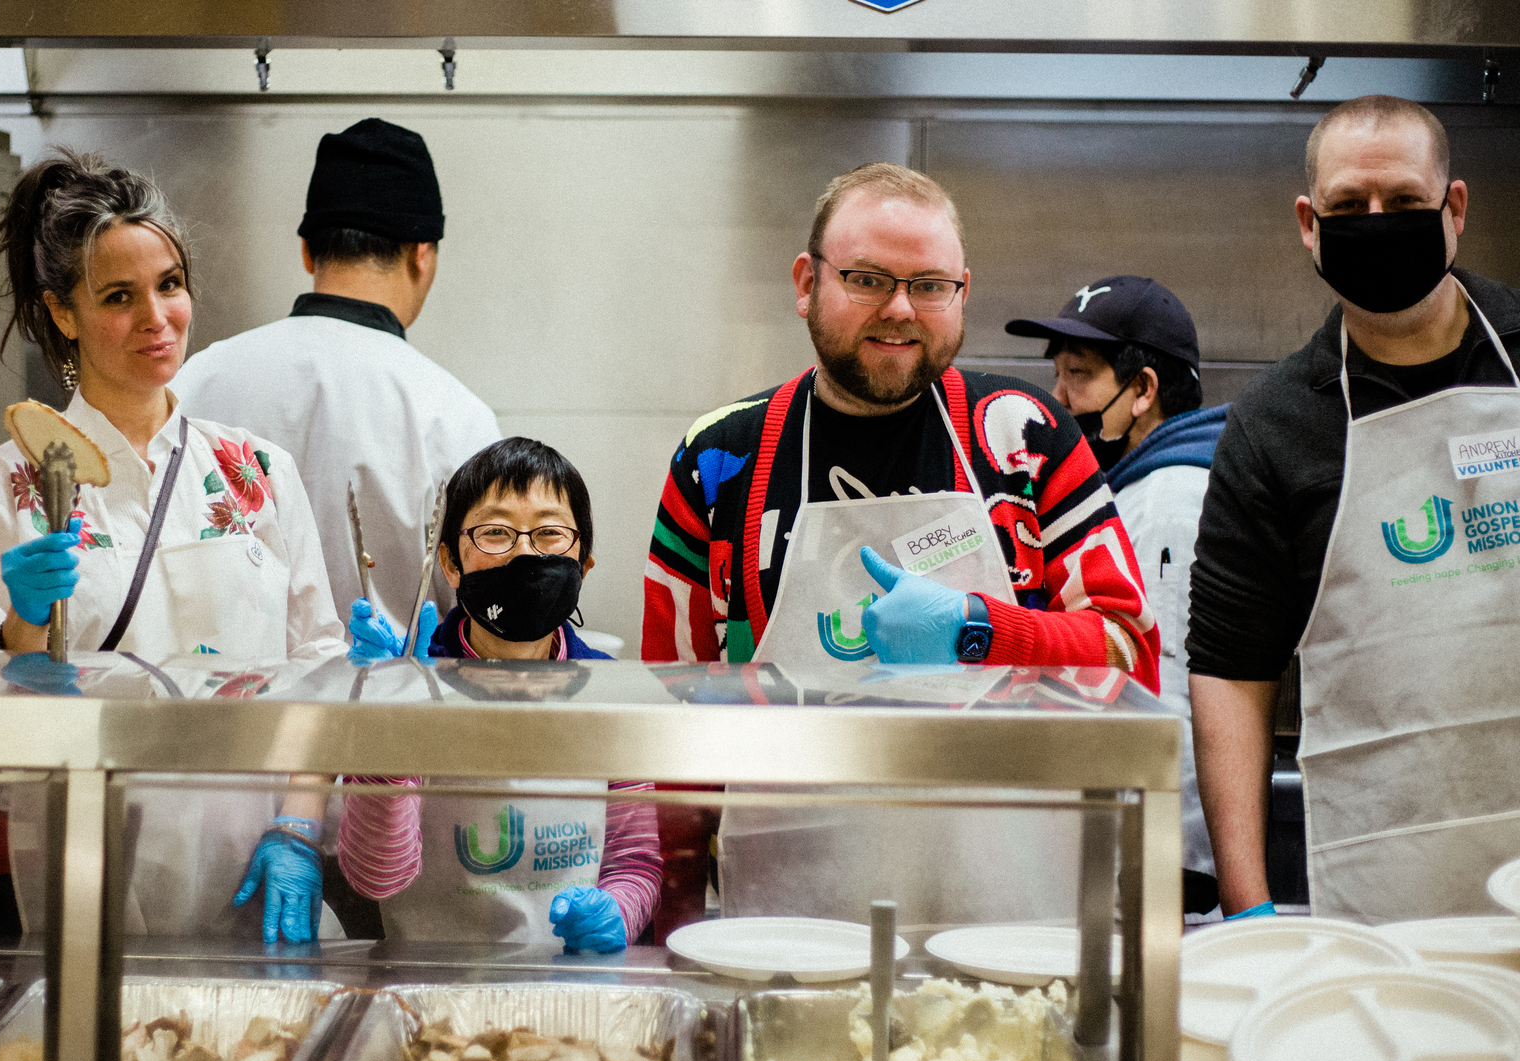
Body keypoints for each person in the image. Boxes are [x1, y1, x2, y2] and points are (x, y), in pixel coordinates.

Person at [640, 162, 1159, 929]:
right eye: (867, 278)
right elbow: (674, 712)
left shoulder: (1024, 437)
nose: (900, 309)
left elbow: (1129, 654)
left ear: (962, 293)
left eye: (929, 285)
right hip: (791, 906)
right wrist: (669, 929)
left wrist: (982, 629)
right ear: (805, 282)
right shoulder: (719, 460)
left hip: (1014, 905)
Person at [0, 149, 348, 942]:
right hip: (89, 860)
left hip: (252, 855)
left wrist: (299, 826)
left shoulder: (256, 471)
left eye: (169, 285)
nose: (157, 318)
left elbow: (320, 664)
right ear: (63, 314)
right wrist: (22, 627)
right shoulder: (3, 486)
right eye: (119, 297)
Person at [1190, 96, 1520, 925]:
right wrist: (1247, 903)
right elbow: (1232, 671)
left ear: (1455, 208)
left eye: (1405, 204)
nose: (1376, 224)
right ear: (1309, 222)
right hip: (1385, 877)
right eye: (1348, 208)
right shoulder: (1273, 427)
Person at [336, 438, 663, 950]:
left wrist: (617, 914)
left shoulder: (611, 695)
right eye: (495, 533)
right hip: (429, 987)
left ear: (585, 563)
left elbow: (635, 863)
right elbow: (375, 878)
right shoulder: (411, 686)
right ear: (449, 561)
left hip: (569, 992)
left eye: (550, 533)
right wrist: (391, 728)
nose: (525, 552)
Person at [174, 118, 501, 628]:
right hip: (394, 705)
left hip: (219, 701)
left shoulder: (197, 380)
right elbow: (486, 615)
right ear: (422, 255)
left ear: (307, 249)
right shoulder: (454, 417)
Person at [1006, 275, 1229, 913]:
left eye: (1078, 375)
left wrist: (1166, 858)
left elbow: (1171, 693)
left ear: (1143, 391)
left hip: (1157, 852)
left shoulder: (1167, 500)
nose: (1058, 398)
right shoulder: (1134, 488)